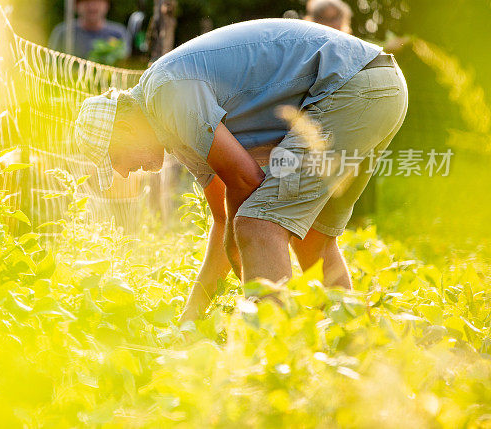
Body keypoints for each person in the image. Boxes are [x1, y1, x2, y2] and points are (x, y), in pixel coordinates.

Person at [73, 18, 408, 322]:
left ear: (125, 128)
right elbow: (223, 220)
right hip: (376, 84)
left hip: (350, 85)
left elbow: (246, 180)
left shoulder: (164, 93)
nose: (123, 172)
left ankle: (271, 360)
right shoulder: (172, 127)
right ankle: (355, 345)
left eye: (115, 158)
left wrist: (241, 242)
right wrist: (192, 315)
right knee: (312, 239)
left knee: (257, 226)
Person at [48, 0, 131, 59]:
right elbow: (51, 66)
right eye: (86, 0)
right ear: (76, 5)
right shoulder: (63, 32)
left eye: (97, 0)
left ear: (107, 4)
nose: (92, 6)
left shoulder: (118, 33)